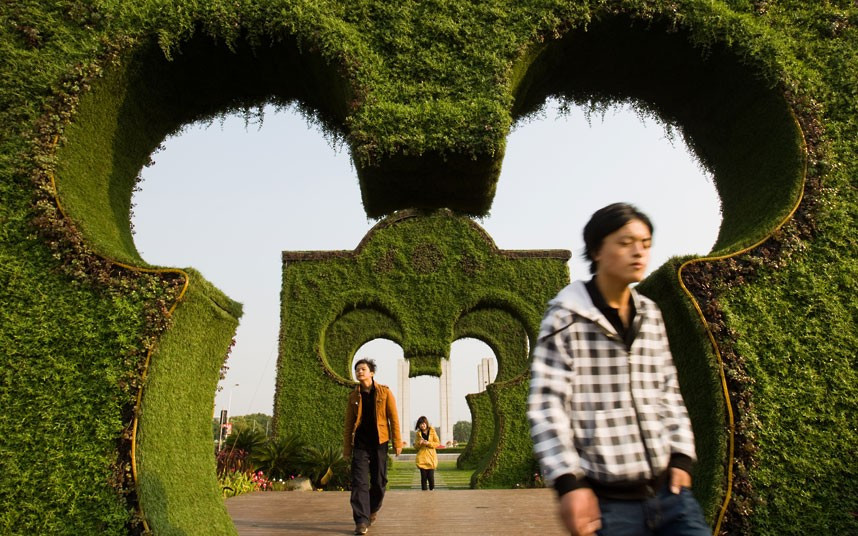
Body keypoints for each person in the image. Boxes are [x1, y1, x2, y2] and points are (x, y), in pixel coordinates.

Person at [527, 203, 710, 536]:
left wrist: (682, 455)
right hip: (609, 505)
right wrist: (569, 483)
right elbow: (547, 405)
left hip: (670, 493)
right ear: (597, 249)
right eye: (625, 243)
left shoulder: (650, 314)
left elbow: (668, 388)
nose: (638, 252)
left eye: (645, 242)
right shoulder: (565, 318)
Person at [344, 358, 403, 535]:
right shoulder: (353, 396)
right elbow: (348, 424)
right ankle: (361, 521)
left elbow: (394, 418)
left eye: (363, 369)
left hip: (380, 443)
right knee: (359, 483)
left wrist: (397, 442)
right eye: (357, 370)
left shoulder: (384, 393)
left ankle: (372, 509)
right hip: (360, 445)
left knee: (379, 482)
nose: (359, 372)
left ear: (371, 373)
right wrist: (347, 449)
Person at [414, 416, 440, 490]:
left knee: (431, 478)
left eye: (424, 423)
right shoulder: (418, 434)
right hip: (422, 458)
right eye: (421, 424)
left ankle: (432, 493)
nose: (422, 425)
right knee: (423, 478)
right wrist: (419, 443)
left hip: (431, 458)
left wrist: (428, 443)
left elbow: (437, 443)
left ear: (426, 423)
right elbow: (416, 446)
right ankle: (424, 496)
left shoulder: (432, 431)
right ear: (418, 425)